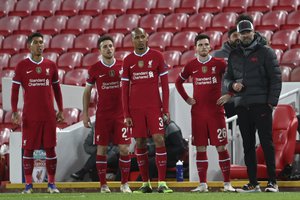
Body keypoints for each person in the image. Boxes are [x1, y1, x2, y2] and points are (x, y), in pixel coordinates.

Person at [224, 20, 282, 192]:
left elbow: (276, 78)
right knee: (248, 145)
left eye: (248, 32)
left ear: (254, 32)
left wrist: (271, 102)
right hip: (242, 105)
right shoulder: (234, 54)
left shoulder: (266, 52)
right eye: (243, 33)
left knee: (266, 143)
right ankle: (253, 183)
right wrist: (232, 86)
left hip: (262, 105)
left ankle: (273, 182)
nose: (246, 35)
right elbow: (227, 78)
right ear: (239, 35)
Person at [175, 34, 236, 193]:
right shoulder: (191, 65)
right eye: (200, 44)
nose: (203, 47)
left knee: (221, 146)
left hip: (216, 113)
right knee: (200, 148)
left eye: (206, 44)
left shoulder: (219, 63)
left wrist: (230, 94)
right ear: (195, 47)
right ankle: (203, 184)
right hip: (198, 114)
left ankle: (227, 183)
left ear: (210, 47)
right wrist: (187, 98)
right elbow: (178, 82)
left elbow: (235, 77)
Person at [121, 27, 173, 193]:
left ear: (147, 38)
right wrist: (126, 114)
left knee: (159, 139)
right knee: (140, 143)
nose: (140, 40)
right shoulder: (128, 60)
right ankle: (146, 183)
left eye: (143, 36)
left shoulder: (157, 56)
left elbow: (165, 86)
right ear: (132, 40)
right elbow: (124, 89)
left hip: (154, 107)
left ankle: (162, 183)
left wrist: (165, 109)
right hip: (135, 109)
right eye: (137, 37)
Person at [11, 32, 64, 194]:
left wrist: (61, 109)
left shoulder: (50, 65)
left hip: (48, 116)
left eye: (41, 42)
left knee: (50, 149)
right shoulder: (21, 66)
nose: (40, 45)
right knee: (28, 150)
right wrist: (14, 111)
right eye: (36, 42)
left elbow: (57, 89)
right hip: (30, 116)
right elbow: (14, 90)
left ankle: (52, 185)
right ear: (29, 46)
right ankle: (28, 186)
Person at [82, 36, 132, 193]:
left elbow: (131, 88)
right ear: (100, 50)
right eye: (105, 47)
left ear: (114, 48)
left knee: (124, 149)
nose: (109, 49)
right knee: (101, 150)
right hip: (103, 115)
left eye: (111, 46)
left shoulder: (123, 66)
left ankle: (124, 184)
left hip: (121, 115)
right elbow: (87, 92)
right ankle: (103, 185)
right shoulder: (94, 68)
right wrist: (85, 114)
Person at [212, 27, 240, 119]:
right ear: (228, 38)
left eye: (239, 35)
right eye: (235, 35)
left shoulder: (246, 54)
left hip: (240, 99)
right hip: (222, 99)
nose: (238, 38)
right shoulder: (217, 55)